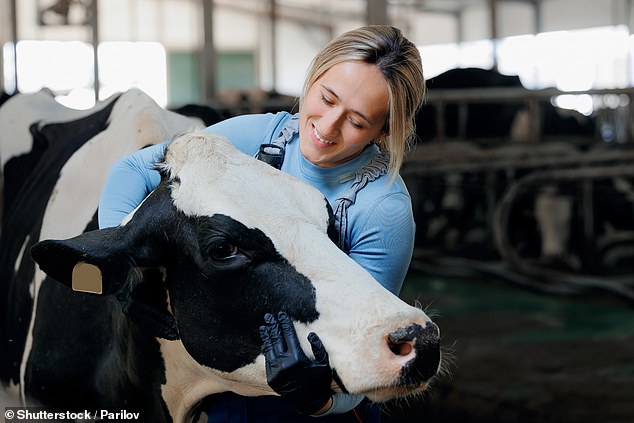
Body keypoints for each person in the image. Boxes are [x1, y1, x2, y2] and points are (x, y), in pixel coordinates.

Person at [98, 25, 425, 423]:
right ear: (314, 77)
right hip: (225, 389)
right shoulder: (260, 138)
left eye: (356, 121)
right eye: (326, 98)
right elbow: (135, 168)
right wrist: (122, 267)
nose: (327, 126)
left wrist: (316, 398)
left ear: (384, 130)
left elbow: (375, 356)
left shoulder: (382, 210)